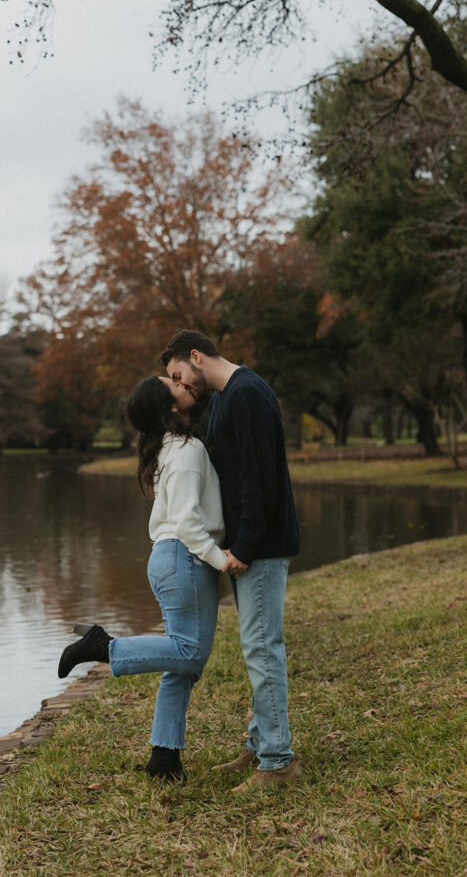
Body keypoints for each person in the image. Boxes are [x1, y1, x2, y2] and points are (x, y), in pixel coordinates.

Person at [57, 374, 228, 782]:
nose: (184, 385)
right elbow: (187, 521)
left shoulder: (170, 448)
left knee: (181, 662)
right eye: (175, 387)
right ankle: (105, 646)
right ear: (170, 408)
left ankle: (164, 758)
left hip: (171, 561)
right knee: (189, 653)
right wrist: (219, 559)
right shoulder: (185, 451)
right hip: (185, 558)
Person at [162, 329, 302, 792]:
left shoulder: (247, 395)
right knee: (256, 648)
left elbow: (260, 480)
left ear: (197, 356)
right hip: (245, 546)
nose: (182, 385)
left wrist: (243, 547)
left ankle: (278, 762)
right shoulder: (224, 398)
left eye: (180, 374)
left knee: (263, 649)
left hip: (258, 548)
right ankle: (261, 744)